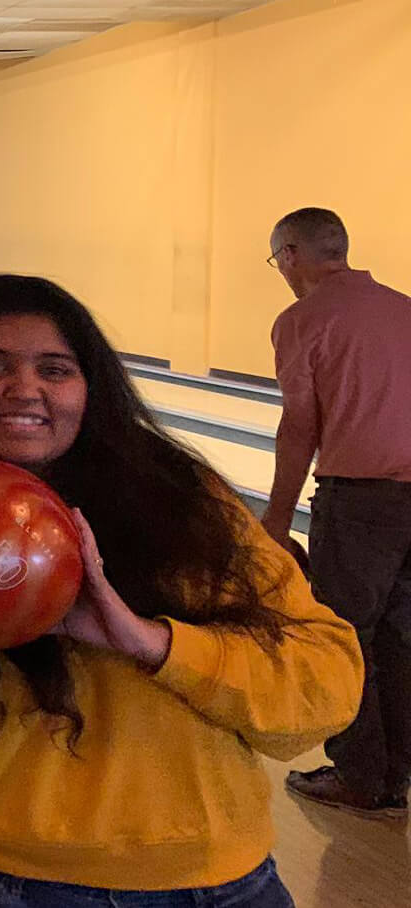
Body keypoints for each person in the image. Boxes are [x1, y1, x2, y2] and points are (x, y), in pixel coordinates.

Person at [0, 274, 363, 907]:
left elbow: (327, 690)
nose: (24, 389)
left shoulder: (193, 511)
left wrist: (153, 644)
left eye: (55, 369)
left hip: (214, 885)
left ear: (90, 389)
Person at [261, 207, 411, 818]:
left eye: (278, 261)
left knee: (344, 636)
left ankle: (361, 776)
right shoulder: (405, 308)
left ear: (292, 255)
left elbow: (301, 425)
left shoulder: (303, 320)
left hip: (361, 502)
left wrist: (274, 519)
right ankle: (394, 771)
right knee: (404, 637)